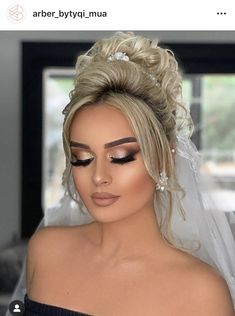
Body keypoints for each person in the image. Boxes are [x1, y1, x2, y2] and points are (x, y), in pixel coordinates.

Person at [7, 32, 235, 316]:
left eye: (120, 157)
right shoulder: (46, 250)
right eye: (82, 158)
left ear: (166, 156)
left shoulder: (202, 293)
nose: (98, 176)